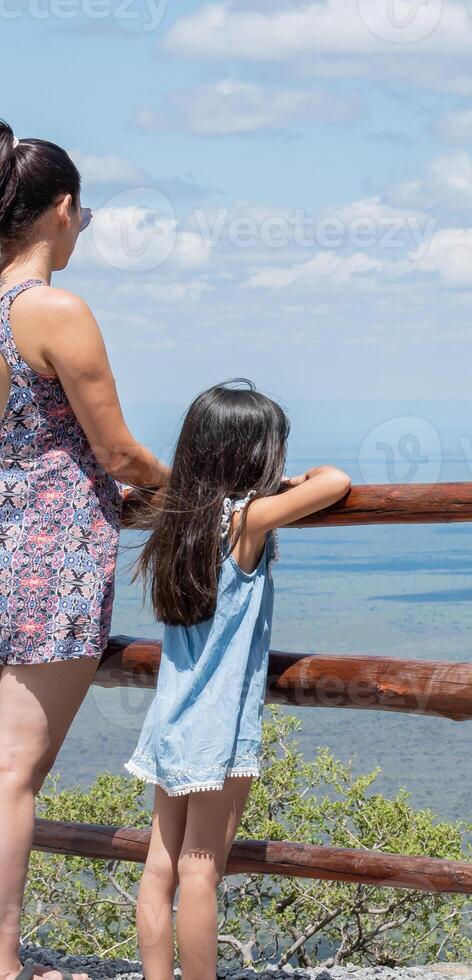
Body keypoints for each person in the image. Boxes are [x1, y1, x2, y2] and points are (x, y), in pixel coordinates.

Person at [0, 120, 169, 980]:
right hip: (48, 561)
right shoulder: (52, 311)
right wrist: (203, 493)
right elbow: (121, 456)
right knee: (14, 773)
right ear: (62, 212)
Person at [125, 381, 350, 980]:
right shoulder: (246, 519)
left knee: (159, 866)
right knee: (202, 868)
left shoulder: (179, 518)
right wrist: (294, 481)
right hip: (217, 726)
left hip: (171, 717)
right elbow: (335, 482)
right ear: (253, 457)